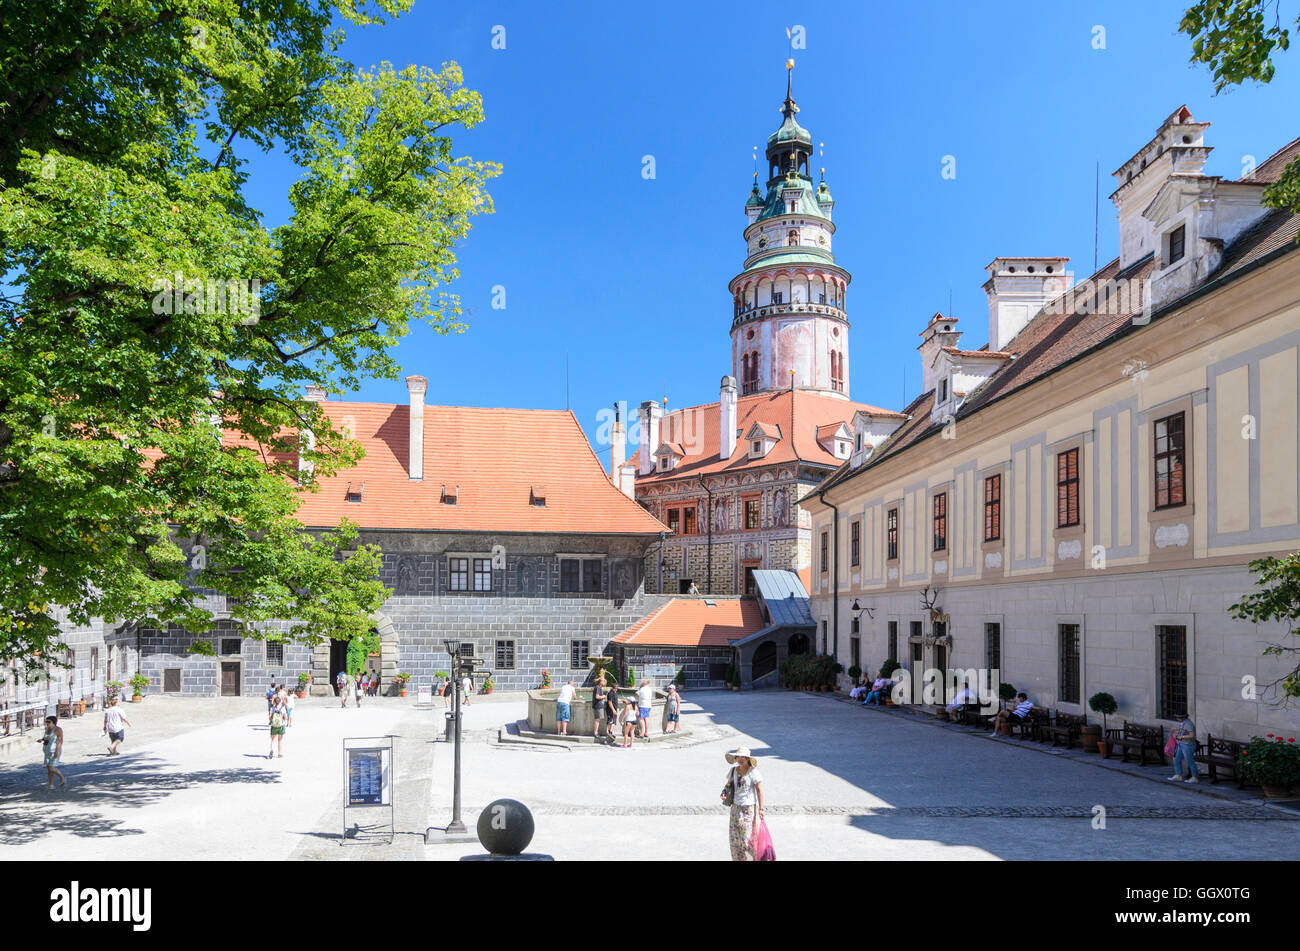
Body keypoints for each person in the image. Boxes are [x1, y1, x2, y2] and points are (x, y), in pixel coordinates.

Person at [725, 747, 765, 861]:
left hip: (748, 810)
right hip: (735, 809)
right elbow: (728, 785)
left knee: (747, 840)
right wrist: (724, 792)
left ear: (748, 759)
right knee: (735, 840)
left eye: (744, 757)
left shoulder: (753, 772)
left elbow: (759, 790)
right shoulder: (733, 771)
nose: (741, 759)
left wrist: (761, 809)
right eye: (738, 757)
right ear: (736, 758)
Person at [1170, 711, 1199, 783]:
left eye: (1177, 717)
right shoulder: (1183, 722)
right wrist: (1177, 730)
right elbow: (1184, 730)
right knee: (1176, 759)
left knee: (1190, 761)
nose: (1176, 718)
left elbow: (1192, 735)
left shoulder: (1189, 724)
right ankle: (1178, 775)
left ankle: (1194, 777)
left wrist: (1181, 737)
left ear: (1181, 718)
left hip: (1188, 745)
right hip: (1181, 744)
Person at [42, 715, 67, 789]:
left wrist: (57, 751)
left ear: (53, 722)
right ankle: (51, 784)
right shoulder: (47, 729)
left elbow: (60, 741)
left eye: (48, 722)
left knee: (51, 768)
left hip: (54, 750)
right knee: (48, 768)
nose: (47, 723)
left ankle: (62, 777)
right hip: (47, 750)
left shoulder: (58, 730)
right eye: (46, 721)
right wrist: (42, 740)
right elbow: (46, 738)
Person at [268, 693, 287, 758]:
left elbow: (269, 717)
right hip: (281, 725)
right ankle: (279, 753)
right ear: (280, 701)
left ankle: (271, 750)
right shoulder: (283, 708)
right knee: (279, 740)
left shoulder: (272, 708)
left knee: (273, 740)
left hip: (274, 726)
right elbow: (285, 718)